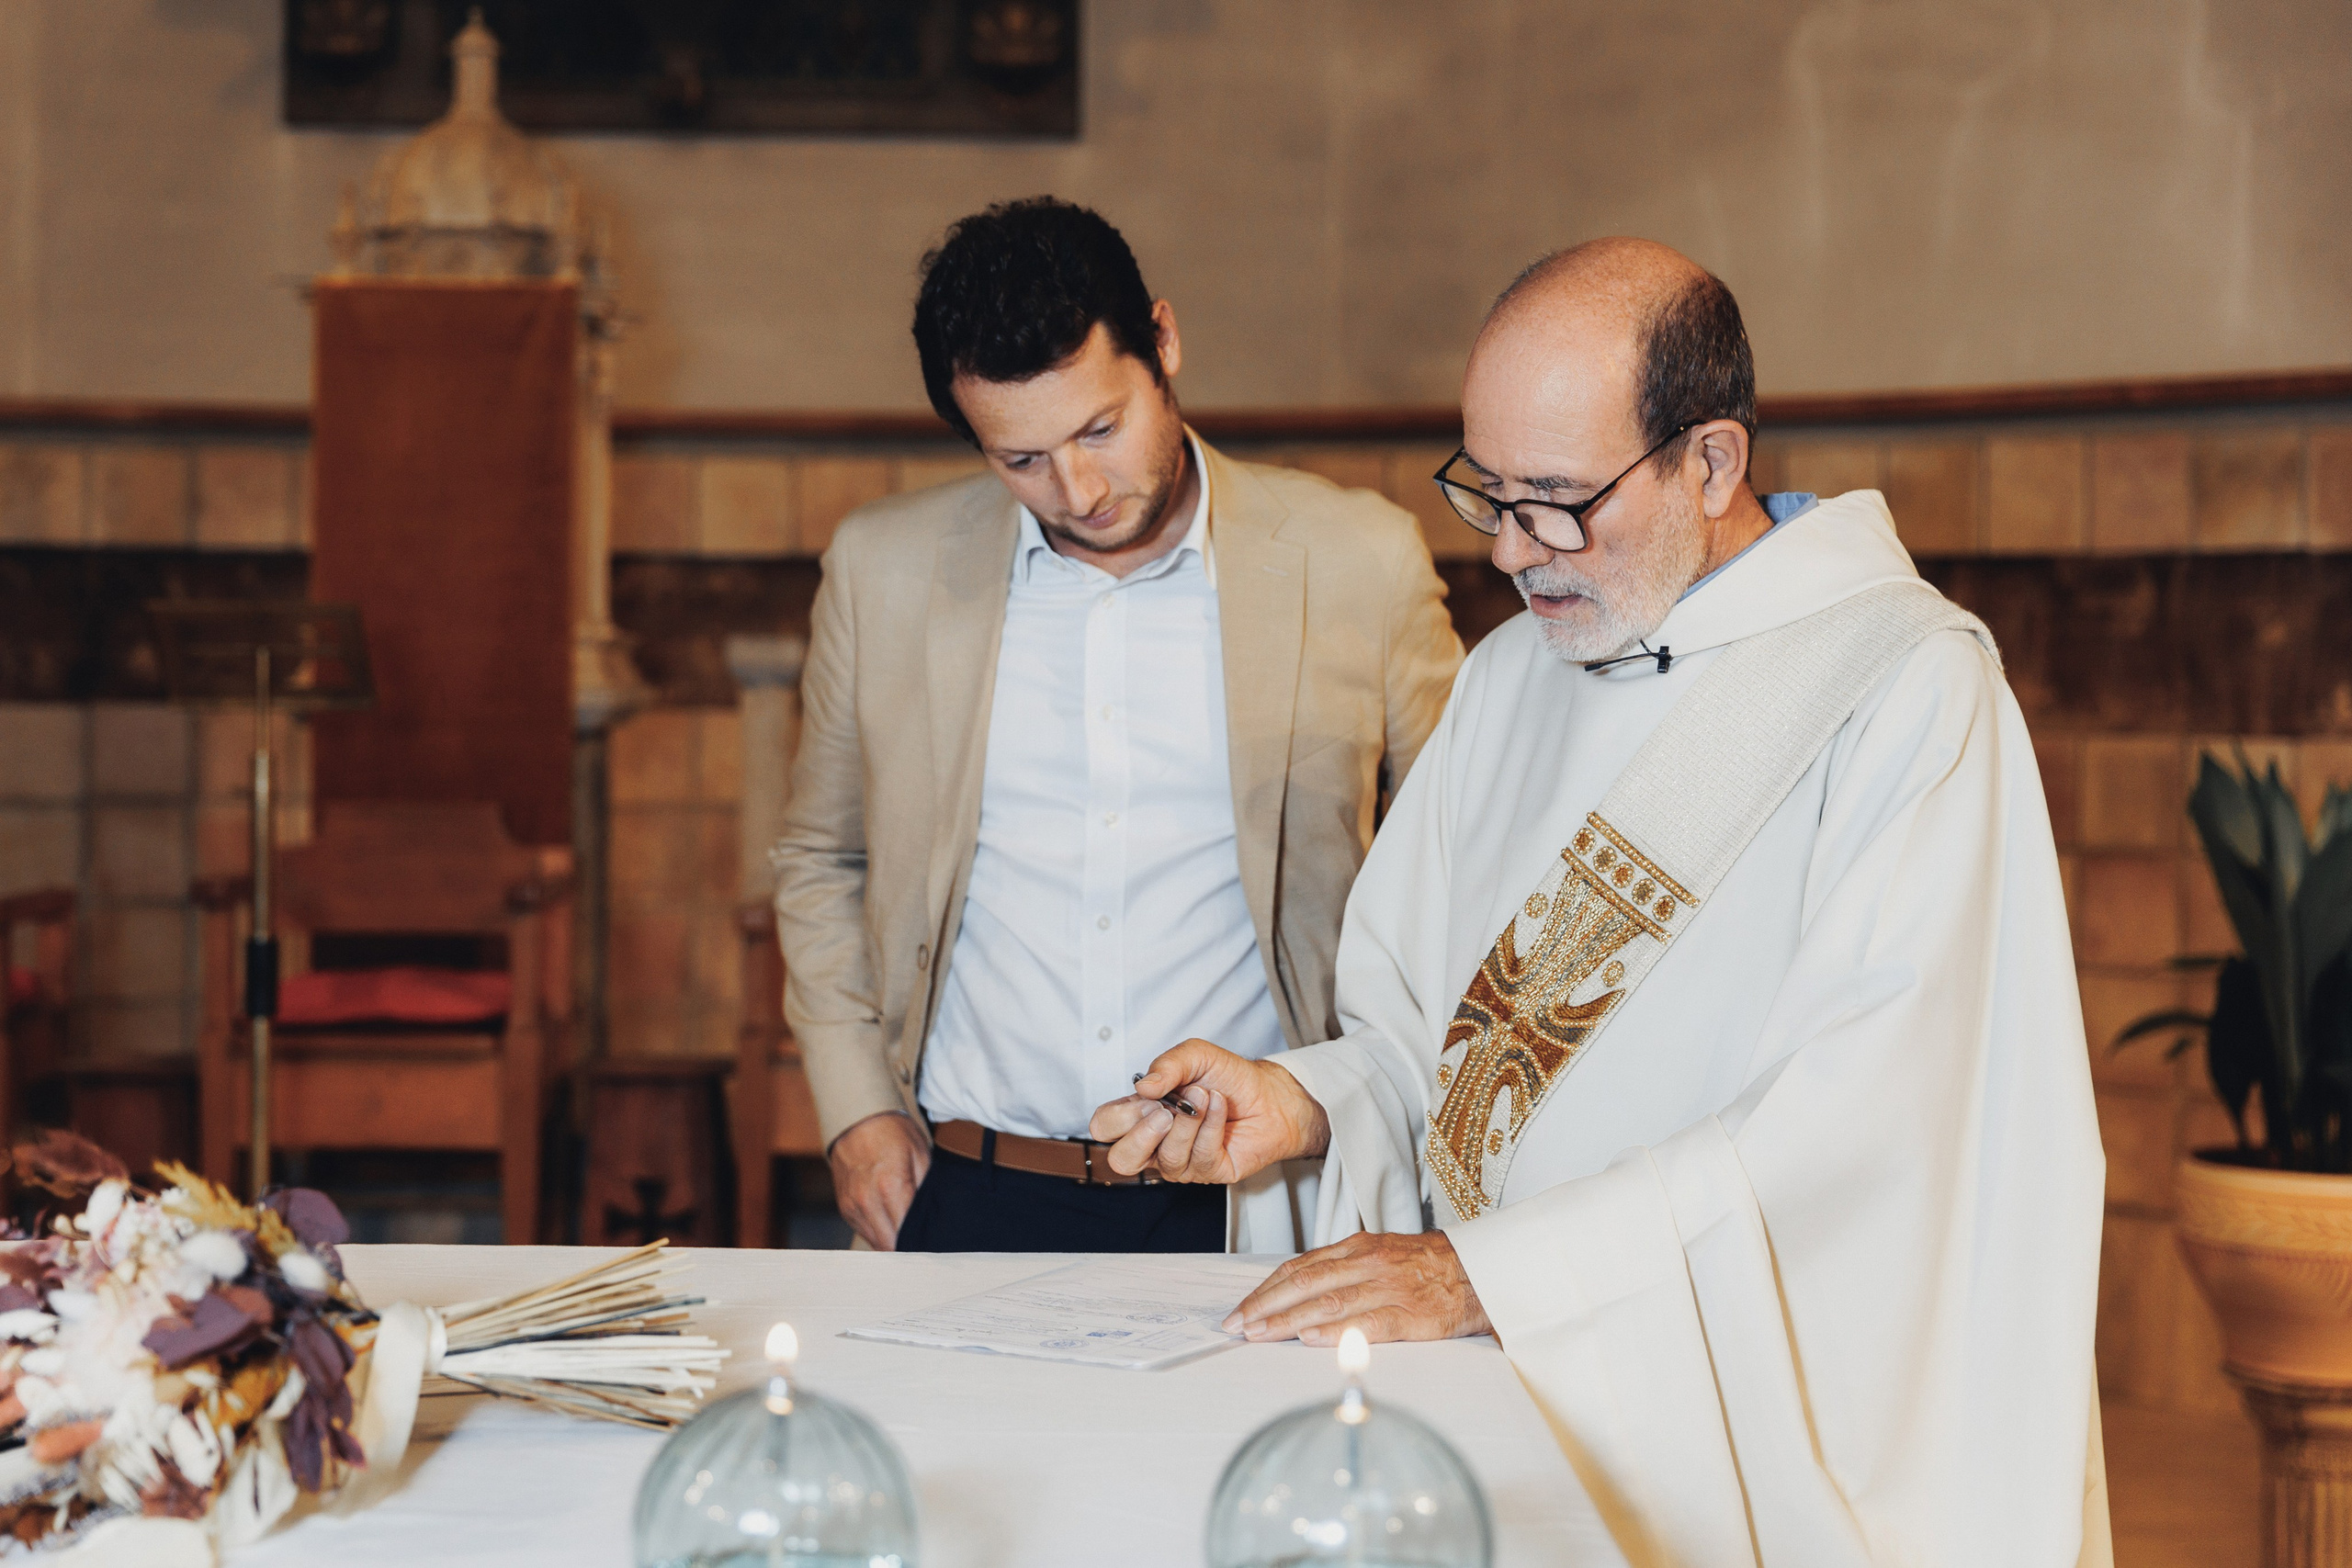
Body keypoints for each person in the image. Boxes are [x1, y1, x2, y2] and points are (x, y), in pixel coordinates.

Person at [1089, 238, 2108, 1563]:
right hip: (1485, 1389)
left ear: (1712, 461)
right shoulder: (1515, 675)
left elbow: (1870, 1130)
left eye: (1559, 499)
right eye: (1488, 493)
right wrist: (1307, 1098)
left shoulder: (1907, 692)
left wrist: (1494, 1275)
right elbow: (1447, 1051)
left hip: (1715, 1427)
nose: (1514, 550)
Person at [773, 197, 1463, 1255]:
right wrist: (855, 1107)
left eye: (1101, 427)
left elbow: (1465, 866)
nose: (1079, 487)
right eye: (1022, 460)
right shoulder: (882, 571)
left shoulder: (1358, 562)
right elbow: (822, 855)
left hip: (1263, 1196)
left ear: (1165, 344)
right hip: (964, 1185)